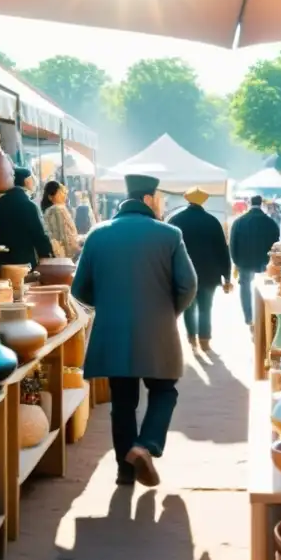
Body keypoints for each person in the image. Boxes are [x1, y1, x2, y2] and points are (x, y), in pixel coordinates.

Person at [71, 174, 197, 487]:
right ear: (148, 199)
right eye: (160, 198)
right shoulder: (169, 234)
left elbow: (80, 289)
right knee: (164, 390)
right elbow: (188, 284)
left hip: (112, 332)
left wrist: (109, 306)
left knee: (122, 402)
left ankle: (124, 471)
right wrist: (170, 311)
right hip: (158, 330)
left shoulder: (98, 235)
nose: (162, 204)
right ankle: (145, 446)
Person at [167, 186, 232, 352]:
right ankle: (205, 339)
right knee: (206, 307)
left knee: (189, 306)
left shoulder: (175, 221)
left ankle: (191, 337)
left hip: (184, 273)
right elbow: (222, 251)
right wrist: (227, 277)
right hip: (209, 274)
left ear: (187, 199)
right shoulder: (212, 221)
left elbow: (168, 251)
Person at [229, 194, 279, 327]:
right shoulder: (271, 222)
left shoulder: (239, 222)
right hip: (265, 261)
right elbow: (276, 244)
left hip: (244, 261)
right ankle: (263, 315)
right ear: (261, 204)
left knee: (245, 288)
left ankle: (248, 318)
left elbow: (232, 244)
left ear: (250, 204)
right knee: (266, 288)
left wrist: (236, 262)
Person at [0, 167, 54, 271]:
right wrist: (49, 257)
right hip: (23, 265)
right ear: (27, 181)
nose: (34, 183)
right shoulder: (29, 205)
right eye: (32, 179)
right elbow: (39, 236)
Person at [40, 180, 81, 259]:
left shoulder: (48, 211)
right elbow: (66, 236)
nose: (64, 196)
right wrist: (77, 250)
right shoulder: (58, 209)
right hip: (65, 256)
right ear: (50, 197)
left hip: (56, 255)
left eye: (64, 193)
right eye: (60, 192)